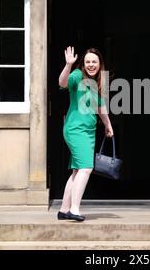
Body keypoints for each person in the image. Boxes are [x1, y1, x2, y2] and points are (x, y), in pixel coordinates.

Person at [57, 46, 113, 222]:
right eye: (88, 61)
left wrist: (108, 125)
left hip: (88, 131)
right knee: (86, 168)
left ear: (99, 64)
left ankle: (64, 209)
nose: (91, 64)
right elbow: (62, 83)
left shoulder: (97, 82)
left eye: (94, 62)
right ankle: (74, 209)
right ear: (83, 63)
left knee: (76, 171)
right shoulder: (77, 75)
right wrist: (68, 65)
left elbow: (100, 107)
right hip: (75, 130)